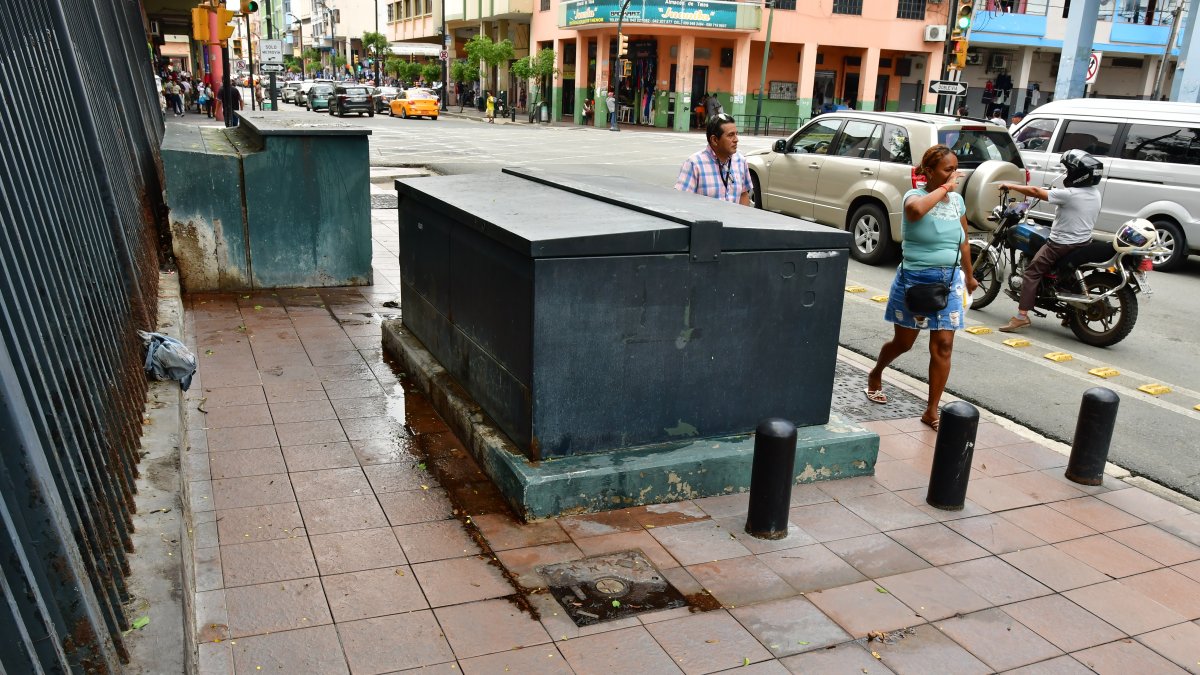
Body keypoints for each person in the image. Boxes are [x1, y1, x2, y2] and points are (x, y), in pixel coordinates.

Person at [865, 144, 977, 431]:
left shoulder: (956, 202)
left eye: (956, 169)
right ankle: (876, 373)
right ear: (928, 171)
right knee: (904, 343)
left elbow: (963, 240)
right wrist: (946, 189)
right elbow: (915, 212)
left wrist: (970, 274)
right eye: (947, 169)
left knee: (943, 345)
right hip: (916, 281)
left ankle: (931, 410)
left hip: (949, 281)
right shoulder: (914, 196)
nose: (954, 175)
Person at [997, 149, 1103, 333]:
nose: (1067, 174)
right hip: (1083, 241)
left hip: (1061, 244)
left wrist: (1010, 186)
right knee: (1065, 276)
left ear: (1078, 175)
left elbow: (1035, 191)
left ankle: (1021, 317)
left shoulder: (1070, 194)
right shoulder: (1094, 193)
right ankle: (1070, 314)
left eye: (1069, 171)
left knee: (1032, 272)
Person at [674, 113, 753, 205]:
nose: (736, 139)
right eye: (731, 135)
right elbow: (681, 201)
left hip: (733, 219)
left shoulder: (740, 161)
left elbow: (743, 194)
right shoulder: (694, 164)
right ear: (714, 140)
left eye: (736, 134)